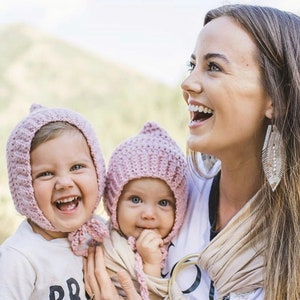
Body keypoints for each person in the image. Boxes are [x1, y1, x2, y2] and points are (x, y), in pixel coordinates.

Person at [84, 4, 300, 300]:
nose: (186, 84)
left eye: (214, 67)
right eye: (192, 65)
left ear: (276, 99)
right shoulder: (168, 196)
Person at [0, 104, 108, 299]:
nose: (64, 183)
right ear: (24, 188)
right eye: (46, 173)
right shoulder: (19, 258)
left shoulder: (100, 233)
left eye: (77, 167)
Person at [87, 121, 188, 300]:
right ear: (113, 203)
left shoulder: (179, 251)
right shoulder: (106, 246)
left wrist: (151, 265)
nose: (149, 214)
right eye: (135, 200)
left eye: (164, 202)